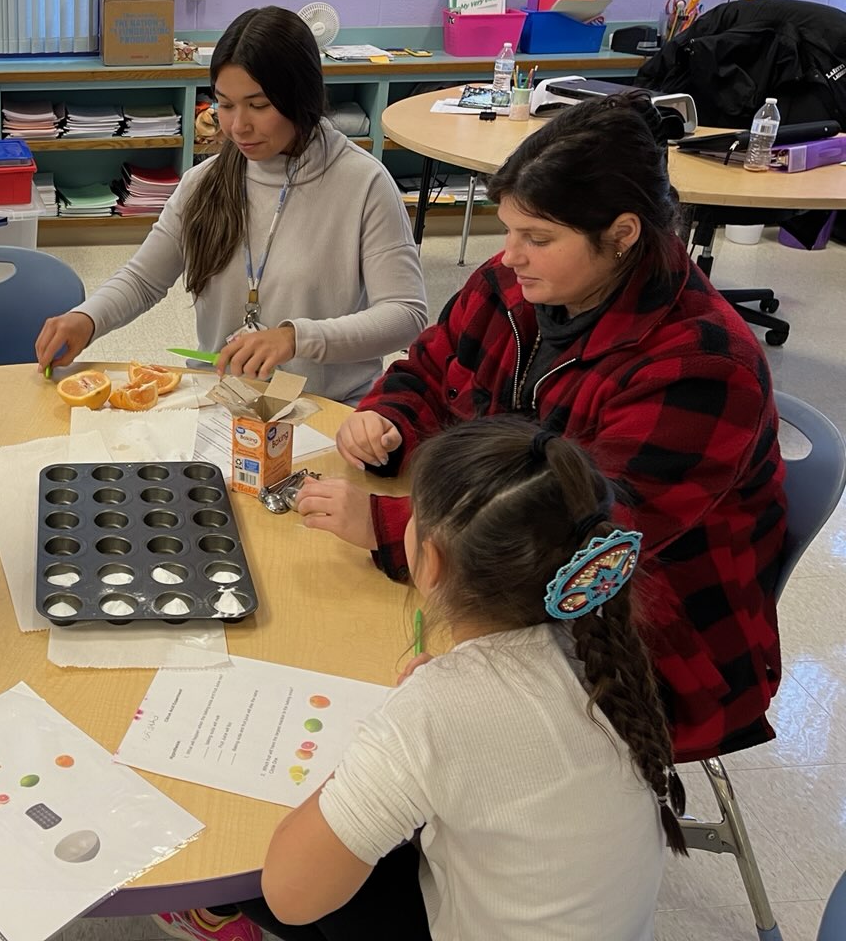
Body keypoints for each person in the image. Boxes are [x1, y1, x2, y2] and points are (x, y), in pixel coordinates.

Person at [297, 91, 787, 763]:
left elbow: (579, 536)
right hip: (503, 583)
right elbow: (431, 368)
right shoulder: (515, 286)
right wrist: (389, 418)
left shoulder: (702, 366)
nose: (511, 255)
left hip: (644, 634)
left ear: (622, 235)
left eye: (538, 238)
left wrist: (394, 531)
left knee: (393, 734)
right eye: (509, 230)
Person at [233, 417, 678, 941]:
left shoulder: (436, 709)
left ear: (432, 562)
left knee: (239, 873)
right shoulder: (601, 648)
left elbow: (290, 895)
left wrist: (392, 743)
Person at [33, 6, 426, 403]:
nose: (238, 126)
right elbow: (144, 279)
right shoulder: (205, 183)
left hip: (327, 407)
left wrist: (297, 338)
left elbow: (405, 314)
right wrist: (87, 318)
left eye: (258, 106)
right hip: (224, 403)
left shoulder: (364, 185)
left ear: (301, 96)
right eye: (224, 104)